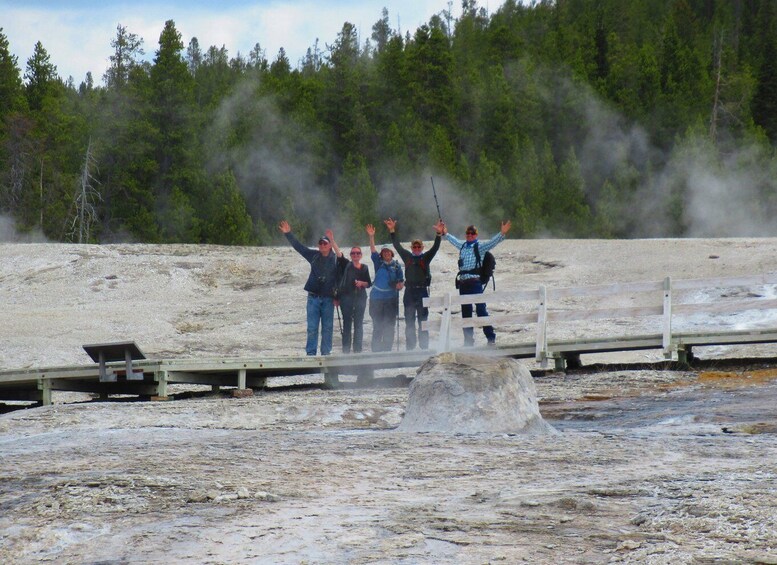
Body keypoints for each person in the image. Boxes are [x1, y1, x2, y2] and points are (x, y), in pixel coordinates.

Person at [442, 220, 511, 346]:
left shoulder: (479, 247)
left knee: (481, 310)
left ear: (476, 235)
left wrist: (501, 233)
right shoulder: (462, 246)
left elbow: (492, 243)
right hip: (463, 283)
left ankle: (491, 337)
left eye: (472, 233)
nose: (469, 235)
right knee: (466, 312)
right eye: (468, 233)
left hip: (475, 283)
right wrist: (445, 234)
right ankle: (468, 341)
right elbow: (454, 241)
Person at [278, 220, 338, 356]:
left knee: (327, 328)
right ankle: (311, 354)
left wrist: (337, 297)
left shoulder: (335, 259)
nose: (322, 245)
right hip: (313, 298)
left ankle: (326, 353)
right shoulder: (314, 256)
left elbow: (340, 275)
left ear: (330, 246)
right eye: (321, 243)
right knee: (312, 328)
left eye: (325, 243)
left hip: (328, 299)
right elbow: (299, 247)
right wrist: (288, 234)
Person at [384, 217, 445, 350]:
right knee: (409, 321)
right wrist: (392, 230)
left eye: (419, 246)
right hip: (409, 292)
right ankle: (410, 348)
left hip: (422, 291)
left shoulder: (426, 257)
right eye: (414, 246)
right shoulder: (407, 257)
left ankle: (424, 348)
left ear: (422, 247)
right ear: (411, 248)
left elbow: (435, 247)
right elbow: (397, 246)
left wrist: (438, 234)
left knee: (423, 322)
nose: (416, 248)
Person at [325, 229, 371, 354]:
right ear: (351, 255)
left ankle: (357, 350)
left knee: (358, 325)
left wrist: (362, 283)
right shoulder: (347, 265)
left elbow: (369, 283)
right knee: (347, 324)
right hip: (346, 299)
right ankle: (346, 351)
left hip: (360, 298)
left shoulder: (365, 268)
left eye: (357, 253)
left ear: (361, 255)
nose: (355, 255)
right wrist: (332, 241)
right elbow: (338, 253)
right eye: (353, 253)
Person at [365, 223, 404, 352]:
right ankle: (376, 350)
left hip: (390, 299)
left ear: (392, 254)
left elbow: (401, 282)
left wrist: (399, 285)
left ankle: (387, 349)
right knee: (378, 325)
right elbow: (372, 250)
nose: (386, 253)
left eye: (388, 252)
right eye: (384, 252)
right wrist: (371, 237)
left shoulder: (397, 266)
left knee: (390, 325)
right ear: (382, 254)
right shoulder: (378, 262)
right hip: (377, 299)